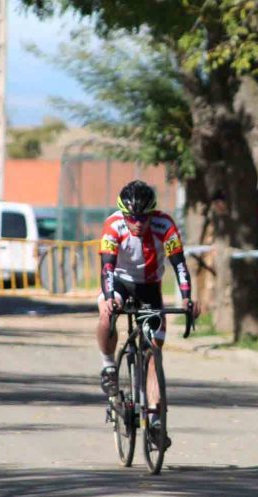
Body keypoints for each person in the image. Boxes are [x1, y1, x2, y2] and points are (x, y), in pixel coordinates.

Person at [96, 180, 200, 446]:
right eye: (133, 218)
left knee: (153, 354)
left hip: (150, 288)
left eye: (143, 218)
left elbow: (179, 265)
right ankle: (108, 366)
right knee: (106, 315)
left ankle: (154, 421)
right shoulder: (113, 225)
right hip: (119, 282)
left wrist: (187, 298)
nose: (138, 223)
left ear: (152, 214)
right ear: (123, 214)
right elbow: (107, 268)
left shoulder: (164, 225)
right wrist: (109, 299)